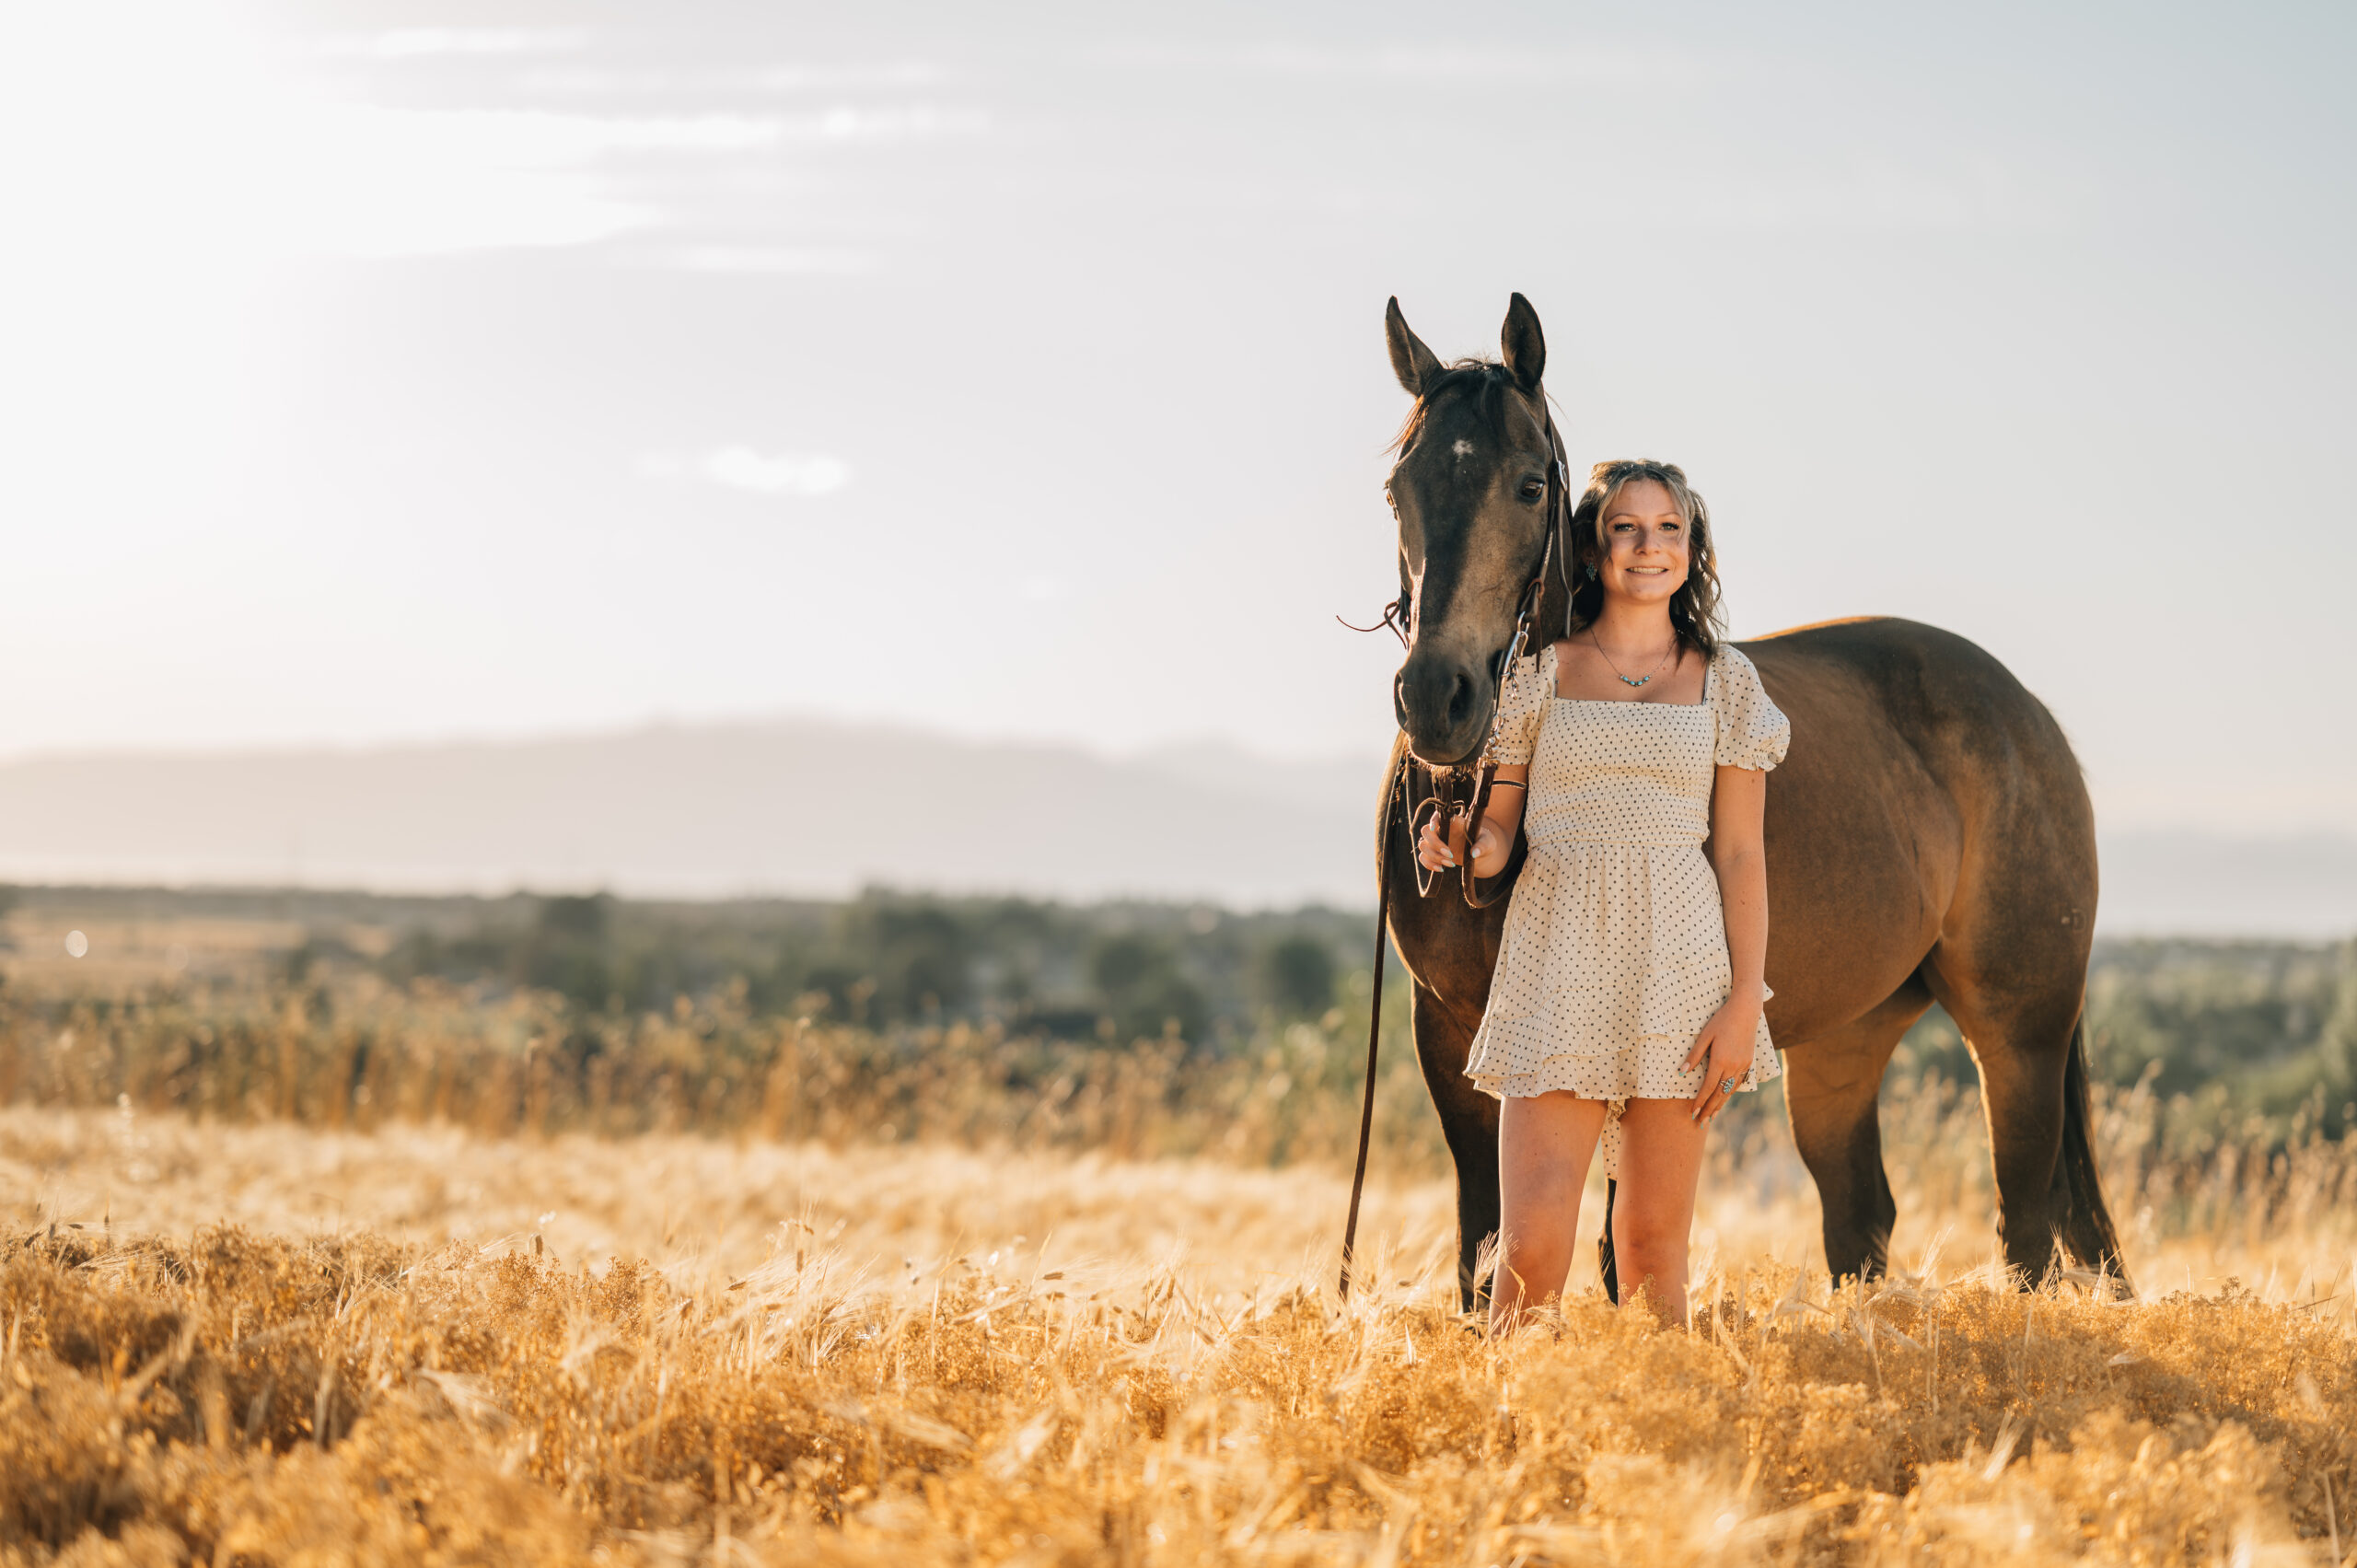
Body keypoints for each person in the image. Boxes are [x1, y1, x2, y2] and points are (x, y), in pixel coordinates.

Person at [1416, 459, 1790, 1332]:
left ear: (1692, 553)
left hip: (1683, 972)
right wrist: (1466, 842)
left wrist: (1744, 1001)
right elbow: (1502, 829)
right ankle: (1510, 1444)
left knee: (1656, 1251)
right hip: (1558, 964)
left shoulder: (1727, 683)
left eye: (1668, 528)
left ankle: (1651, 1441)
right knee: (1531, 1249)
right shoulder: (1538, 673)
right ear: (1593, 549)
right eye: (1626, 526)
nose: (1647, 545)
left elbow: (1739, 855)